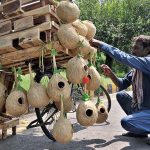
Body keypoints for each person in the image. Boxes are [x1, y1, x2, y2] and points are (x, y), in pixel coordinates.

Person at [91, 35, 150, 138]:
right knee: (121, 95)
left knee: (126, 122)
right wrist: (111, 74)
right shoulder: (136, 69)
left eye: (136, 48)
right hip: (142, 108)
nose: (133, 51)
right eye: (133, 47)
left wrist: (101, 45)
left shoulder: (148, 62)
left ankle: (140, 127)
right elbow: (122, 84)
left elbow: (124, 57)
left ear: (147, 49)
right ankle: (140, 131)